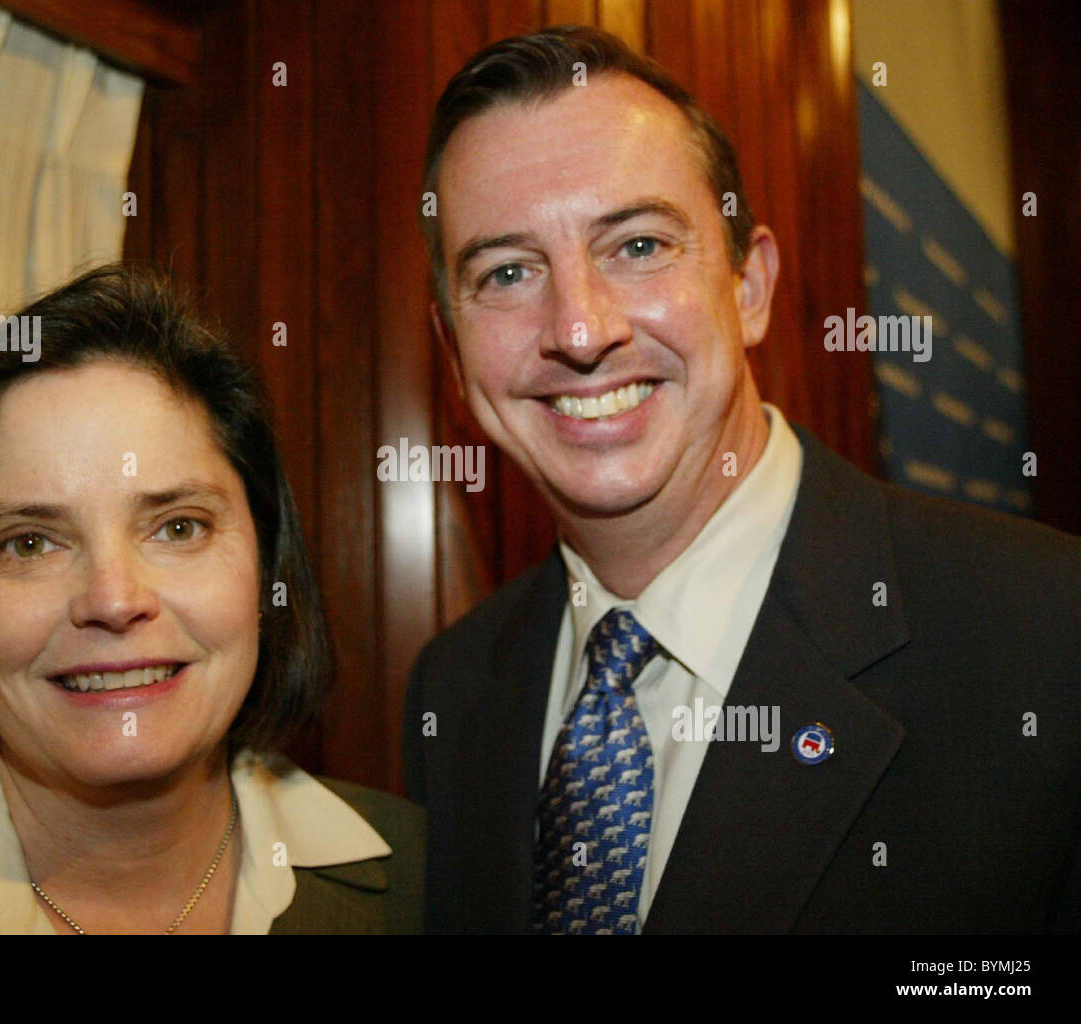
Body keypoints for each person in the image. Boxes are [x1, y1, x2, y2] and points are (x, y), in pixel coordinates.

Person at [402, 25, 1080, 934]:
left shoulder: (1045, 633)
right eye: (509, 271)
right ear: (453, 353)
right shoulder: (453, 693)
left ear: (750, 287)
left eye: (637, 246)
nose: (578, 327)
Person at [0, 264, 422, 934]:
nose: (114, 601)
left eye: (178, 527)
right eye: (28, 543)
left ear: (265, 567)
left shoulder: (435, 880)